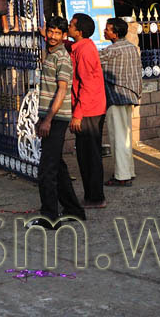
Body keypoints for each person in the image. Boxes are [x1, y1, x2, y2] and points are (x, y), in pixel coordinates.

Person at [29, 15, 85, 227]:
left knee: (46, 170)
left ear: (64, 36)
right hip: (48, 117)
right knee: (57, 167)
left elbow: (62, 90)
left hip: (57, 118)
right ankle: (74, 209)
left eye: (57, 33)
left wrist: (48, 120)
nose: (52, 36)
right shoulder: (50, 54)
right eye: (49, 31)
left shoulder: (62, 57)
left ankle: (49, 217)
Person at [66, 13, 107, 208]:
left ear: (79, 31)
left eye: (71, 25)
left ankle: (95, 197)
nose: (69, 26)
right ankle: (93, 195)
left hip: (89, 110)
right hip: (91, 107)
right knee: (87, 154)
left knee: (89, 156)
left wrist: (77, 115)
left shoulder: (85, 51)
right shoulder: (82, 46)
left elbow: (87, 84)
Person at [101, 17, 141, 187]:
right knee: (125, 136)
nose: (105, 31)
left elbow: (93, 61)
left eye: (108, 29)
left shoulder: (112, 50)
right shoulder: (132, 48)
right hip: (129, 95)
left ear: (115, 34)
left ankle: (122, 176)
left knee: (117, 137)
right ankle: (128, 171)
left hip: (115, 96)